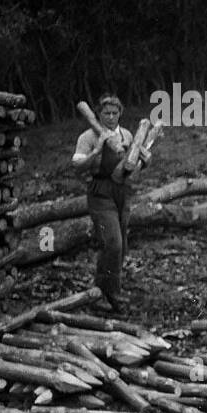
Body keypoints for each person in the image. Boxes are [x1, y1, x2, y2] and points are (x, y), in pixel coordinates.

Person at [71, 94, 150, 310]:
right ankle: (112, 293)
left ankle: (101, 290)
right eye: (107, 113)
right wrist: (97, 149)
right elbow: (77, 166)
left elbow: (132, 166)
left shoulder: (125, 134)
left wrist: (144, 161)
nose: (111, 117)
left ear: (120, 114)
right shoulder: (88, 136)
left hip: (122, 191)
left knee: (120, 245)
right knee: (112, 243)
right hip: (100, 192)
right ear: (98, 114)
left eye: (115, 113)